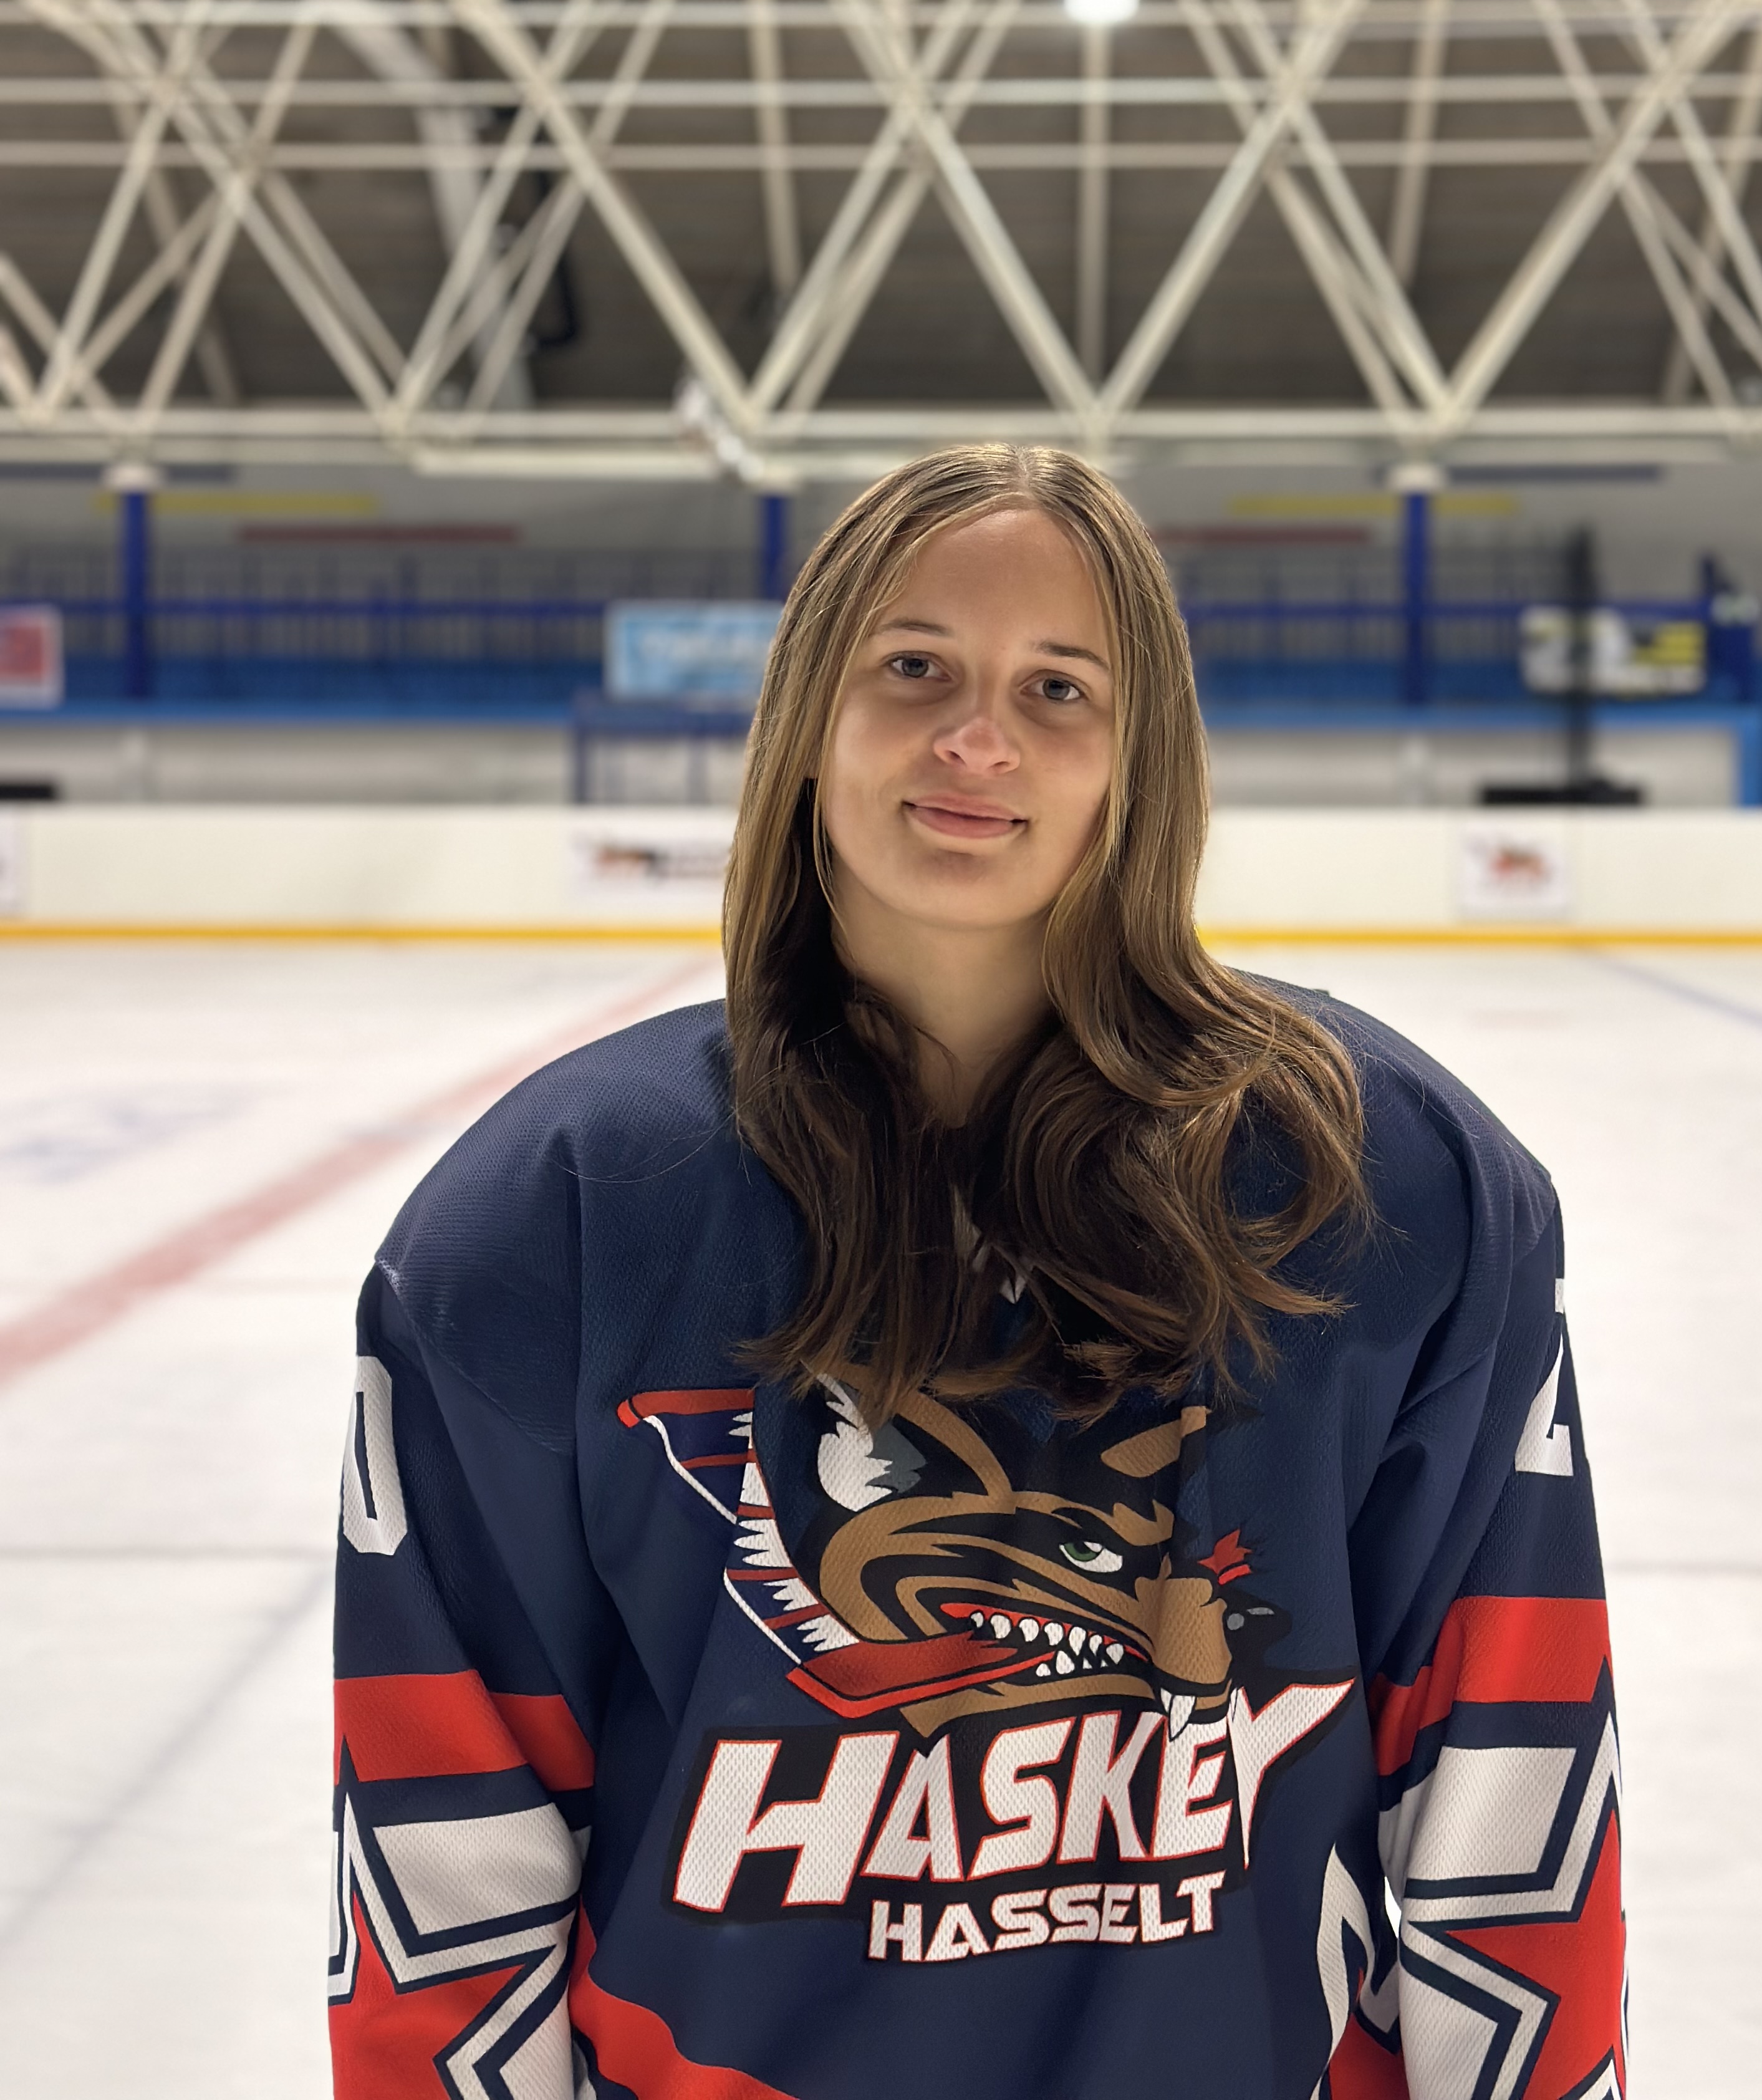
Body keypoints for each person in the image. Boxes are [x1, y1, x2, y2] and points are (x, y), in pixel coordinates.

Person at [329, 446, 1625, 2100]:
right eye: (915, 668)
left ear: (1142, 757)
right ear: (809, 713)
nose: (977, 740)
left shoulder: (1390, 1188)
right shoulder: (553, 1220)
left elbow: (1501, 1785)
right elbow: (451, 1841)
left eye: (1057, 688)